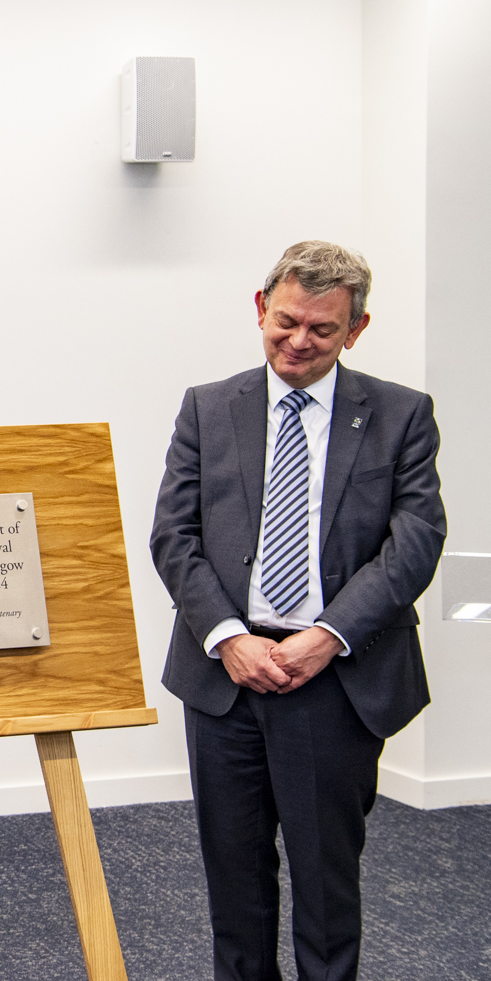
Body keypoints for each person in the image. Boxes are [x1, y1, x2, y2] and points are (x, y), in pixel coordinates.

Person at [151, 241, 446, 981]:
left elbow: (414, 544)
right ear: (261, 309)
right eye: (286, 322)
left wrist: (329, 635)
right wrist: (227, 638)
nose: (299, 341)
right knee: (235, 883)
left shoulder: (402, 415)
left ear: (357, 328)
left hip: (336, 680)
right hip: (228, 679)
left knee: (325, 883)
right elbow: (174, 536)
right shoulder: (209, 408)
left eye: (322, 329)